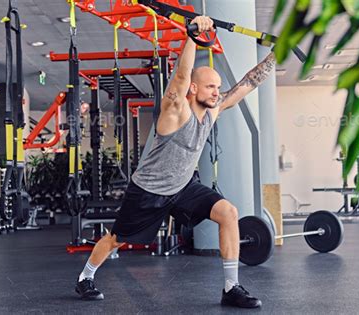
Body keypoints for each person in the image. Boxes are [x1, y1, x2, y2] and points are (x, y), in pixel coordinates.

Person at [75, 16, 276, 308]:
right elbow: (180, 79)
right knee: (116, 239)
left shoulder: (213, 111)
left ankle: (231, 287)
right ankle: (85, 278)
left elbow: (246, 85)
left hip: (183, 186)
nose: (216, 93)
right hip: (148, 191)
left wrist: (273, 58)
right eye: (210, 87)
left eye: (217, 87)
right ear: (194, 89)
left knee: (228, 212)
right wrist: (192, 36)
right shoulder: (174, 112)